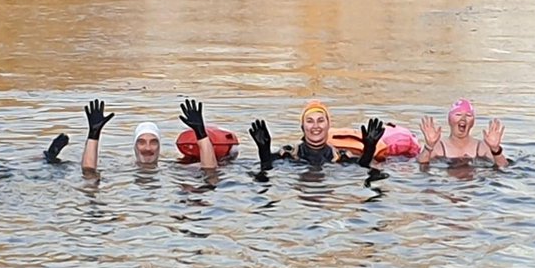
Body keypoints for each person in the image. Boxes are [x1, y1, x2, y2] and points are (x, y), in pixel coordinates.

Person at [81, 98, 217, 173]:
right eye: (141, 142)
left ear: (159, 147)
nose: (147, 148)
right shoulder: (121, 168)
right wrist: (94, 134)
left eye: (153, 142)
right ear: (134, 147)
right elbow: (88, 172)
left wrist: (201, 133)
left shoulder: (171, 168)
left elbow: (209, 170)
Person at [249, 100, 384, 170]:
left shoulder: (340, 156)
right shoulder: (289, 153)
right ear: (302, 127)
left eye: (320, 121)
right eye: (309, 121)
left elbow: (363, 167)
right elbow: (266, 168)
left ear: (328, 126)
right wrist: (264, 149)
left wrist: (369, 149)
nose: (315, 126)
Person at [418, 99, 509, 167]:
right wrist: (429, 146)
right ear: (449, 120)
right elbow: (421, 165)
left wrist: (496, 150)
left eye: (468, 115)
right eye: (458, 114)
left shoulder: (481, 147)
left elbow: (504, 167)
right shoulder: (438, 147)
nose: (463, 119)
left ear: (473, 122)